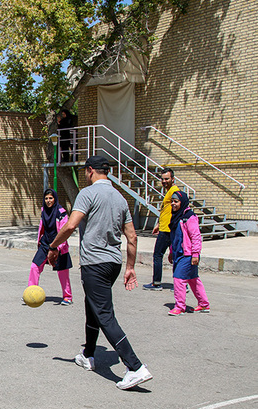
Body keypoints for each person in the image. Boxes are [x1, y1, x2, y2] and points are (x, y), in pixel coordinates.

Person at [48, 155, 152, 390]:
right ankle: (89, 354)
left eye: (85, 172)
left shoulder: (88, 193)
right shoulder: (120, 198)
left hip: (94, 264)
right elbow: (132, 236)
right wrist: (130, 267)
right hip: (113, 264)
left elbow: (71, 225)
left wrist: (53, 247)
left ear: (90, 171)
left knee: (104, 314)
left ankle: (135, 367)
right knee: (93, 308)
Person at [167, 191, 210, 316]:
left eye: (176, 201)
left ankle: (180, 307)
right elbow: (174, 237)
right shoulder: (176, 216)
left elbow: (195, 236)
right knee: (193, 279)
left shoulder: (189, 217)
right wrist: (171, 252)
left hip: (188, 254)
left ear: (183, 202)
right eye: (172, 201)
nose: (173, 204)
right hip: (178, 253)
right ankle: (203, 304)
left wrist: (195, 254)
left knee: (179, 279)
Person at [28, 189, 73, 305]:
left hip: (59, 244)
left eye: (51, 198)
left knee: (62, 272)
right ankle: (31, 293)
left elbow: (64, 230)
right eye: (46, 198)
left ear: (55, 199)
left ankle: (67, 296)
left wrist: (58, 246)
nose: (48, 201)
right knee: (34, 267)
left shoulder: (61, 212)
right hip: (45, 243)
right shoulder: (43, 211)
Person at [144, 168, 179, 291]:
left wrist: (169, 225)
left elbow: (177, 209)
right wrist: (159, 223)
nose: (164, 181)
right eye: (162, 179)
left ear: (172, 179)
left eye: (167, 179)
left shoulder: (174, 191)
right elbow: (166, 210)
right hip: (165, 227)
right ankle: (180, 284)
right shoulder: (170, 191)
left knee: (158, 255)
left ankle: (156, 283)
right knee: (174, 256)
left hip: (168, 230)